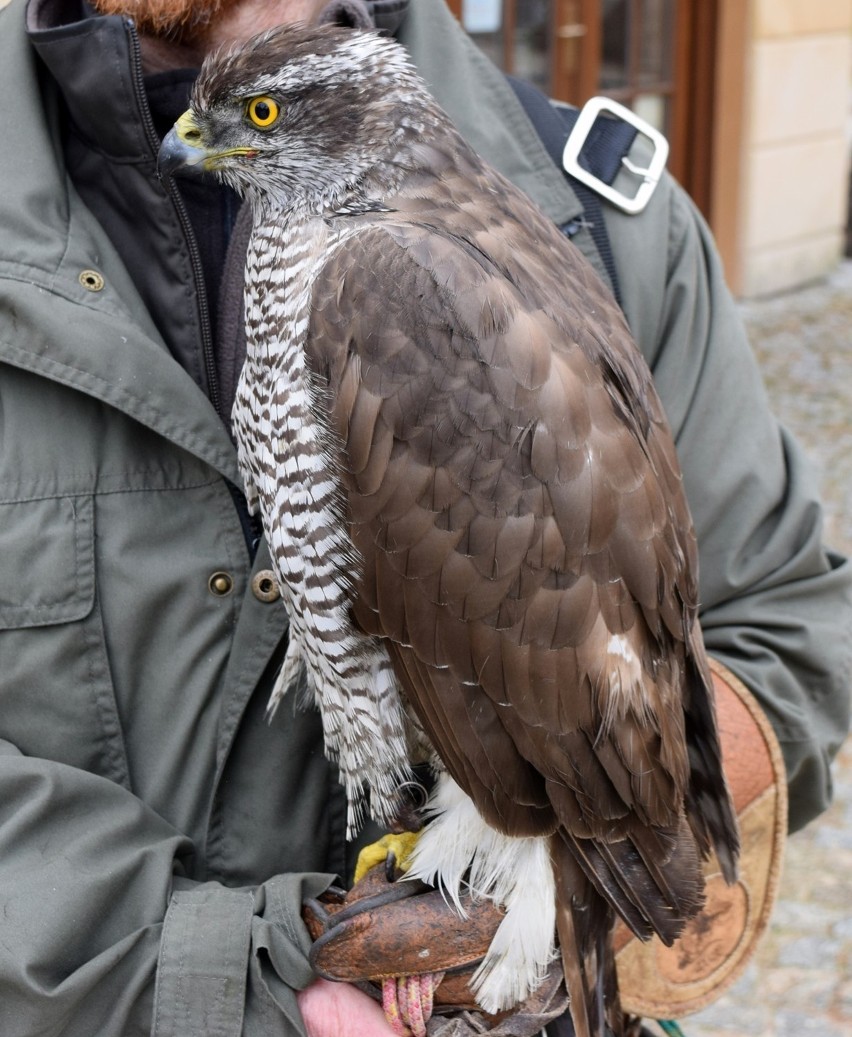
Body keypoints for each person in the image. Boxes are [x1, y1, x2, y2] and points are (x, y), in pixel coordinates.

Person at [0, 1, 848, 1036]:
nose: (196, 143)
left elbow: (788, 632)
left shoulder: (598, 207)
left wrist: (538, 880)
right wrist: (253, 984)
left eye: (257, 115)